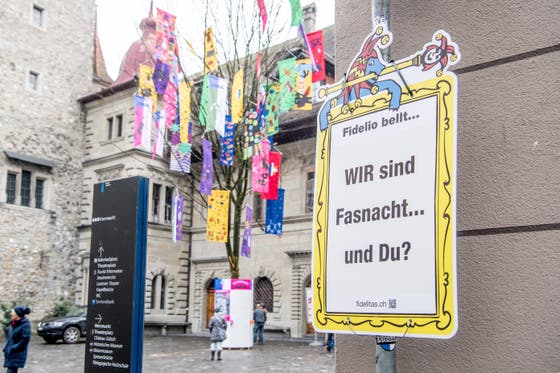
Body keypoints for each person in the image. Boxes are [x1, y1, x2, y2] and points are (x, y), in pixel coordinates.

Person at [3, 306, 31, 373]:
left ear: (17, 314)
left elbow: (25, 339)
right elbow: (11, 337)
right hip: (11, 353)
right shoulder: (14, 323)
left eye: (12, 312)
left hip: (17, 353)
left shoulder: (25, 325)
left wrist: (13, 348)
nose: (11, 314)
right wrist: (6, 347)